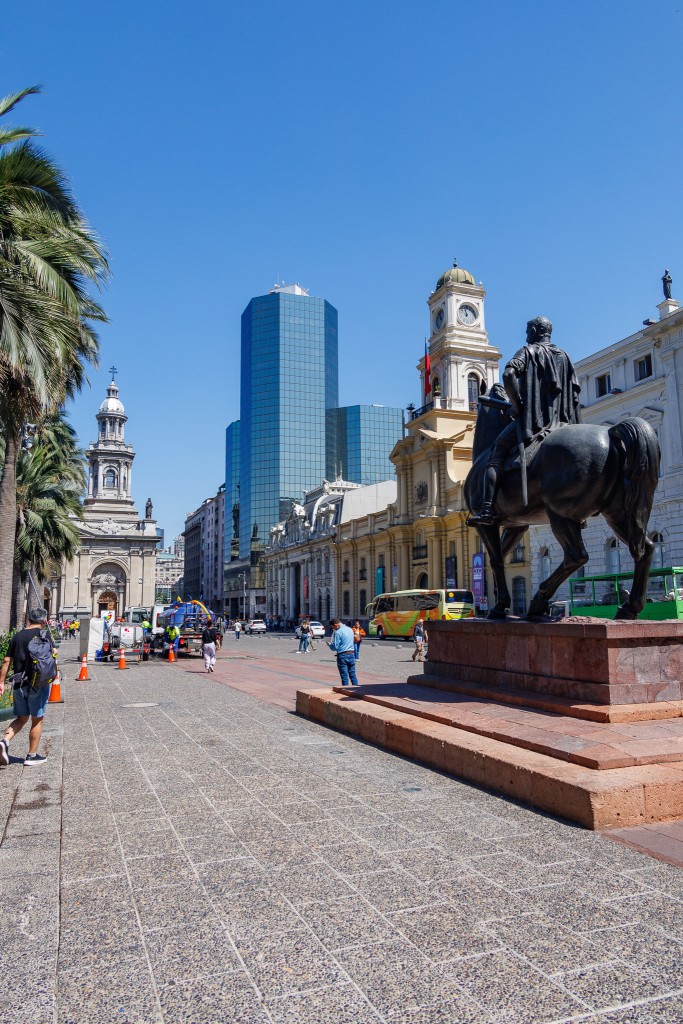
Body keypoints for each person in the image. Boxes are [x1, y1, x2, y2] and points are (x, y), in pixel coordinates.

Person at [467, 316, 582, 526]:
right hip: (562, 422)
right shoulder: (564, 356)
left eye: (528, 330)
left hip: (535, 422)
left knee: (495, 453)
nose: (526, 335)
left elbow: (508, 375)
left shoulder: (528, 352)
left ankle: (487, 508)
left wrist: (517, 405)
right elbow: (573, 392)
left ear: (536, 331)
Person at [0, 608, 56, 767]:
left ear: (29, 619)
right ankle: (32, 756)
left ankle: (4, 741)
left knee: (22, 717)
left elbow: (6, 661)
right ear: (44, 620)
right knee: (37, 719)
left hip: (19, 683)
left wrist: (1, 682)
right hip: (38, 682)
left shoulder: (17, 636)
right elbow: (53, 653)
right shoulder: (44, 634)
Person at [328, 618, 359, 687]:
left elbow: (335, 647)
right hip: (351, 654)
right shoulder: (350, 629)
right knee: (353, 675)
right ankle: (357, 690)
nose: (333, 629)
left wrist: (330, 645)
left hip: (342, 655)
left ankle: (346, 690)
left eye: (333, 627)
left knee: (344, 676)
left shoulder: (338, 632)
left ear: (336, 625)